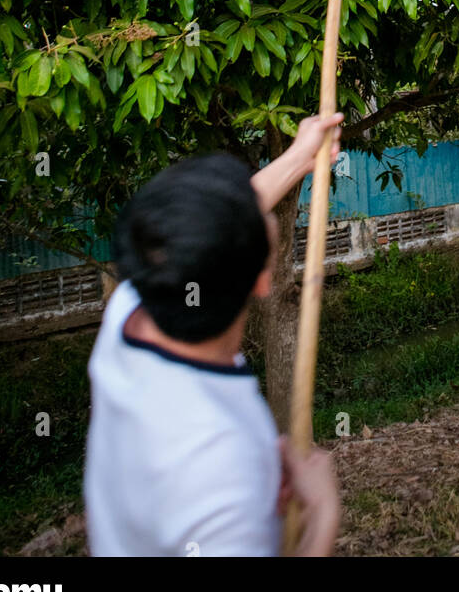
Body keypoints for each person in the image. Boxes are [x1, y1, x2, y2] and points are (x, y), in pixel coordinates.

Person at [84, 114, 344, 557]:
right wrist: (322, 515)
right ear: (262, 280)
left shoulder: (133, 308)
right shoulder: (221, 467)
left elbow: (217, 228)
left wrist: (300, 157)